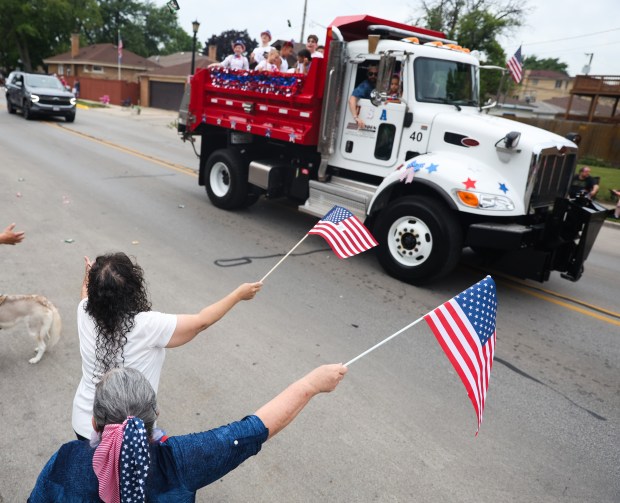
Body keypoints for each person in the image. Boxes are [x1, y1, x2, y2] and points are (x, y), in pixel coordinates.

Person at [30, 363, 347, 501]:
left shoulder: (64, 462)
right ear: (155, 417)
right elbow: (253, 430)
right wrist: (310, 385)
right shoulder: (182, 461)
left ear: (95, 424)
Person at [72, 252, 262, 441]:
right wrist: (238, 295)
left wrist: (90, 276)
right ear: (133, 288)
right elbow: (201, 322)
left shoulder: (84, 312)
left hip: (86, 424)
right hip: (130, 436)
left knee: (94, 471)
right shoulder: (148, 325)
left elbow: (85, 295)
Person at [348, 64, 379, 129]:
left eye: (376, 74)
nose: (373, 76)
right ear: (367, 74)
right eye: (371, 74)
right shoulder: (365, 86)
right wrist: (356, 117)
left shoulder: (380, 85)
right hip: (367, 117)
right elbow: (352, 100)